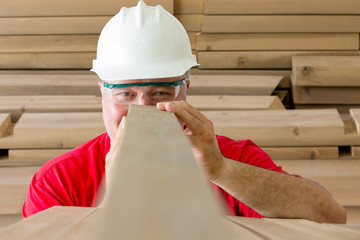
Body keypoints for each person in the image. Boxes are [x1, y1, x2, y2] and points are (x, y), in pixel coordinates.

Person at [22, 1, 346, 223]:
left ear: (185, 90)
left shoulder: (230, 159)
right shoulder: (60, 181)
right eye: (126, 95)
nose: (142, 109)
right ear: (102, 93)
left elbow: (330, 217)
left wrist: (220, 170)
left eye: (160, 93)